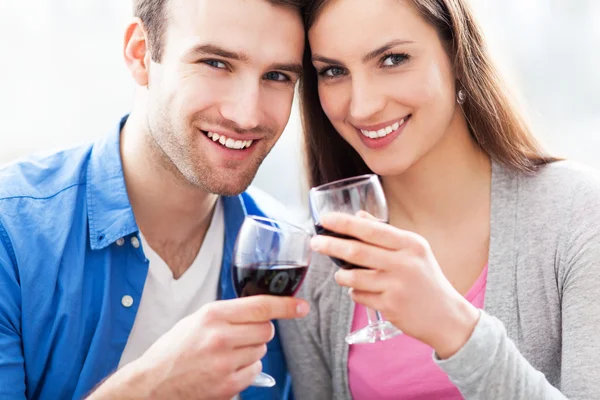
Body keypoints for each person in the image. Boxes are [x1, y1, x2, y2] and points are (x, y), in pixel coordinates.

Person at [280, 0, 600, 398]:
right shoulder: (321, 261)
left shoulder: (579, 214)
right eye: (333, 71)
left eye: (393, 59)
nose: (362, 106)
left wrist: (453, 327)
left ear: (457, 54)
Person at [0, 0, 309, 399]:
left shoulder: (289, 254)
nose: (247, 115)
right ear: (140, 53)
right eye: (216, 63)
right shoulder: (12, 232)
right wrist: (150, 388)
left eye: (278, 75)